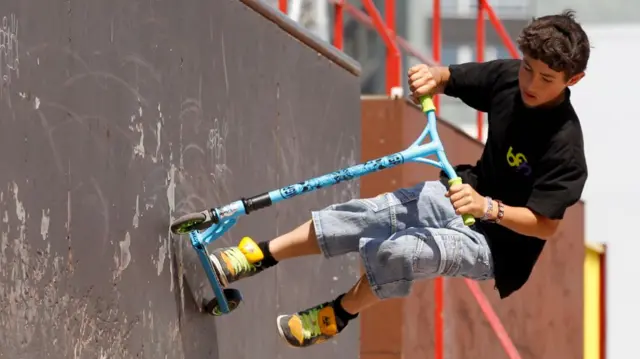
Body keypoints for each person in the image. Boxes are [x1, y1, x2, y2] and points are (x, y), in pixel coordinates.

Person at [207, 10, 589, 348]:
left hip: (496, 245)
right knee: (369, 216)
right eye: (527, 68)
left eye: (546, 78)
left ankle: (337, 314)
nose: (531, 84)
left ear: (574, 79)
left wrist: (488, 208)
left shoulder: (565, 145)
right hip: (462, 190)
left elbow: (545, 225)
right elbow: (448, 77)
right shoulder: (509, 77)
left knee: (400, 252)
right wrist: (429, 77)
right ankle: (257, 255)